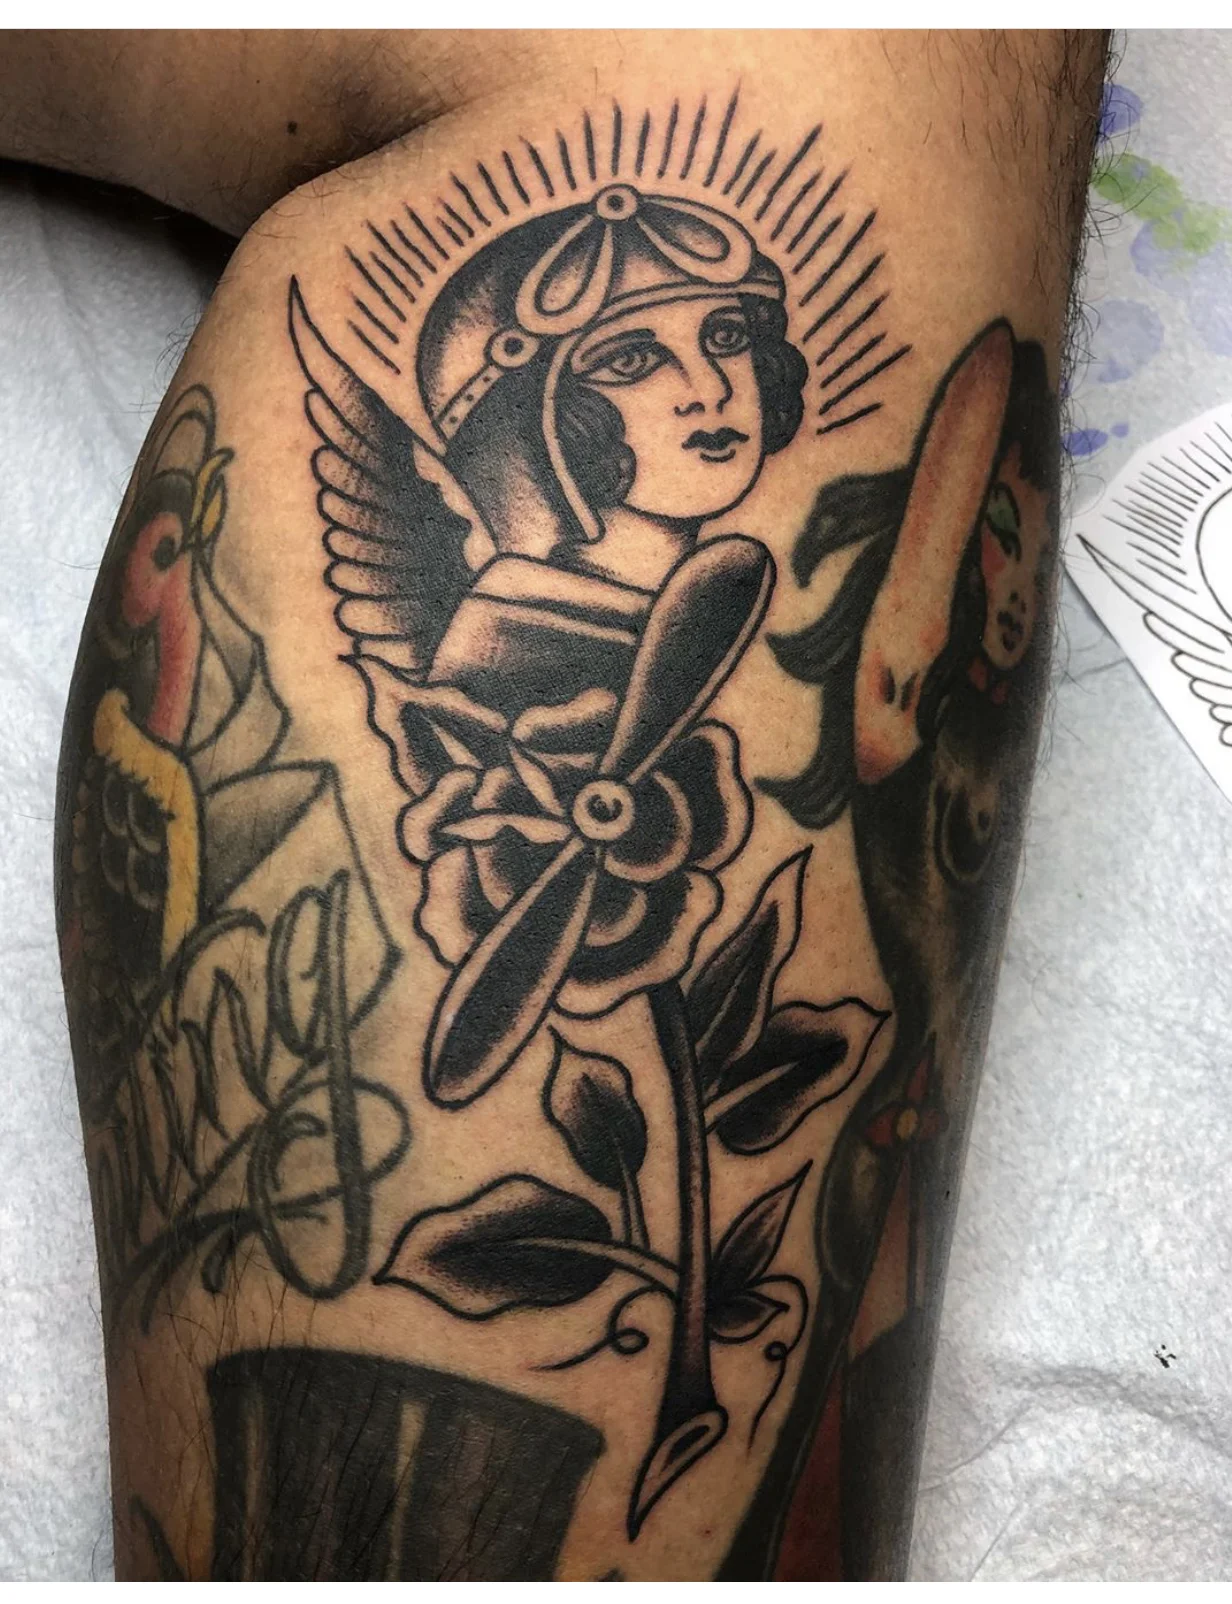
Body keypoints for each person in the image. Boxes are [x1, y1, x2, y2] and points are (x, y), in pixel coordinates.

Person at [5, 27, 1109, 1580]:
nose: (712, 388)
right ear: (534, 423)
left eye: (731, 339)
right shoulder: (511, 639)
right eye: (634, 360)